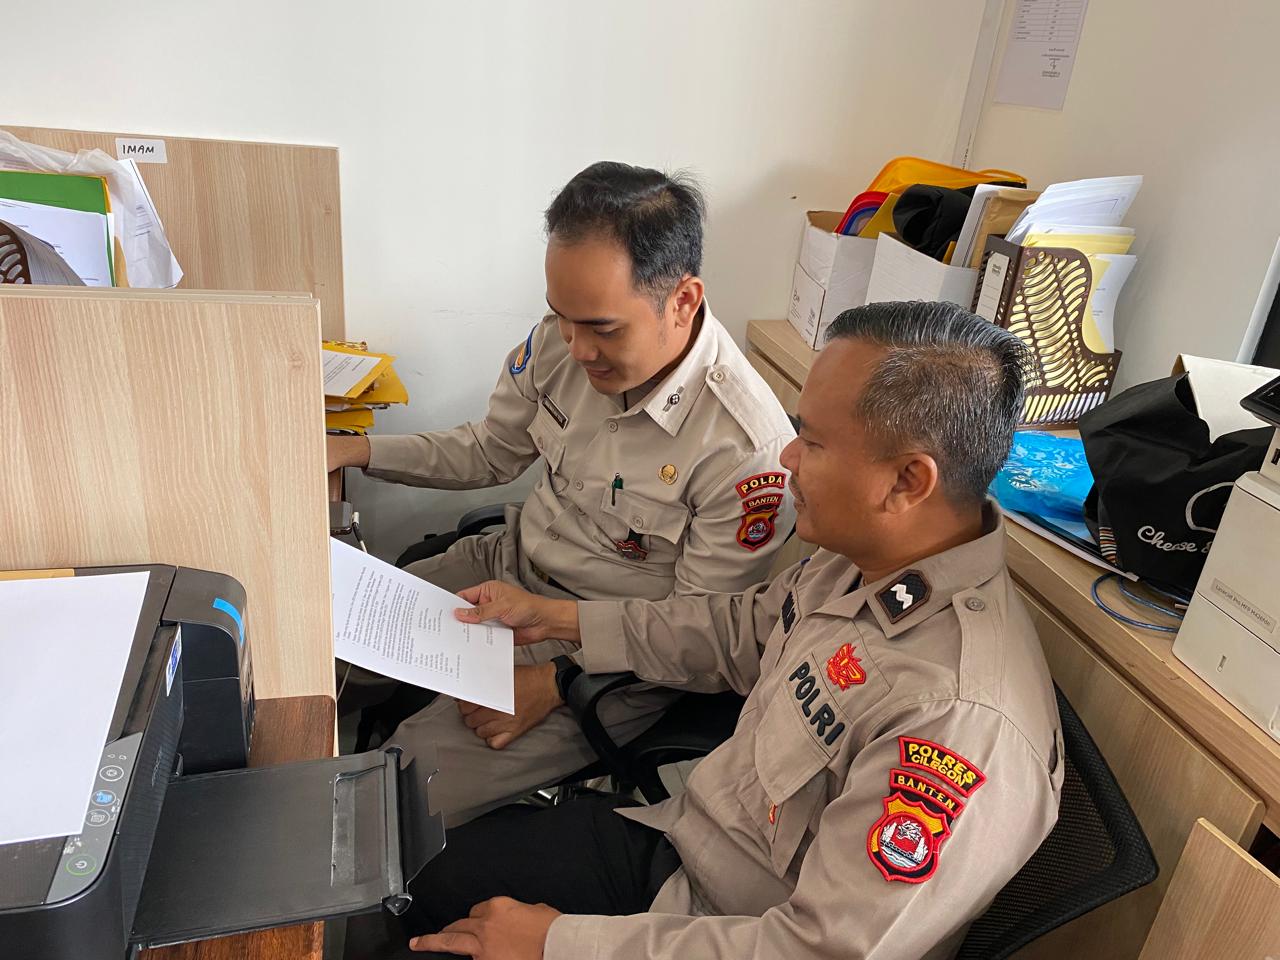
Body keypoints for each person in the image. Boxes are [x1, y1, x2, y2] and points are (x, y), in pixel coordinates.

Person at [401, 300, 1064, 960]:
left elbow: (816, 951)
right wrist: (562, 620)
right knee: (432, 876)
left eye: (814, 442)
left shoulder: (956, 719)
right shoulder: (865, 559)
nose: (788, 455)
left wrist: (559, 945)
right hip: (686, 840)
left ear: (907, 481)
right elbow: (738, 629)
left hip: (721, 923)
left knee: (435, 919)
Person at [327, 162, 796, 826]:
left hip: (607, 658)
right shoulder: (562, 341)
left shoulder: (745, 450)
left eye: (603, 328)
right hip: (508, 571)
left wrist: (555, 683)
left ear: (683, 301)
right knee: (318, 649)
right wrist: (357, 450)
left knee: (392, 798)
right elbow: (490, 449)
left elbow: (697, 633)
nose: (577, 349)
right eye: (562, 319)